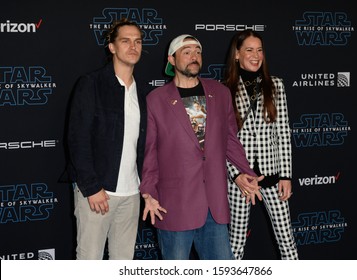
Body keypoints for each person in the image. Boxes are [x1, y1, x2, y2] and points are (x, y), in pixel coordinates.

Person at [139, 34, 263, 260]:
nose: (194, 57)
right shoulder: (155, 99)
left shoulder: (221, 93)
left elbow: (231, 141)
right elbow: (150, 152)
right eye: (186, 52)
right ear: (172, 60)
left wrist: (246, 171)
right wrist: (148, 191)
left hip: (213, 206)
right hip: (174, 206)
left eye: (197, 51)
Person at [66, 19, 147, 260]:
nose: (133, 46)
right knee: (89, 260)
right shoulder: (91, 84)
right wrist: (91, 187)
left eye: (138, 41)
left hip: (131, 194)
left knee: (123, 263)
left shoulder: (141, 93)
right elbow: (77, 139)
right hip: (98, 192)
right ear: (112, 47)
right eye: (125, 41)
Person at [223, 30, 299, 260]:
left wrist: (286, 175)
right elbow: (221, 140)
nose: (255, 55)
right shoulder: (224, 89)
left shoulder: (276, 85)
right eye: (249, 49)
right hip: (240, 181)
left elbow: (283, 132)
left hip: (272, 177)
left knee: (286, 239)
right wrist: (236, 174)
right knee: (235, 243)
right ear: (237, 54)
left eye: (259, 50)